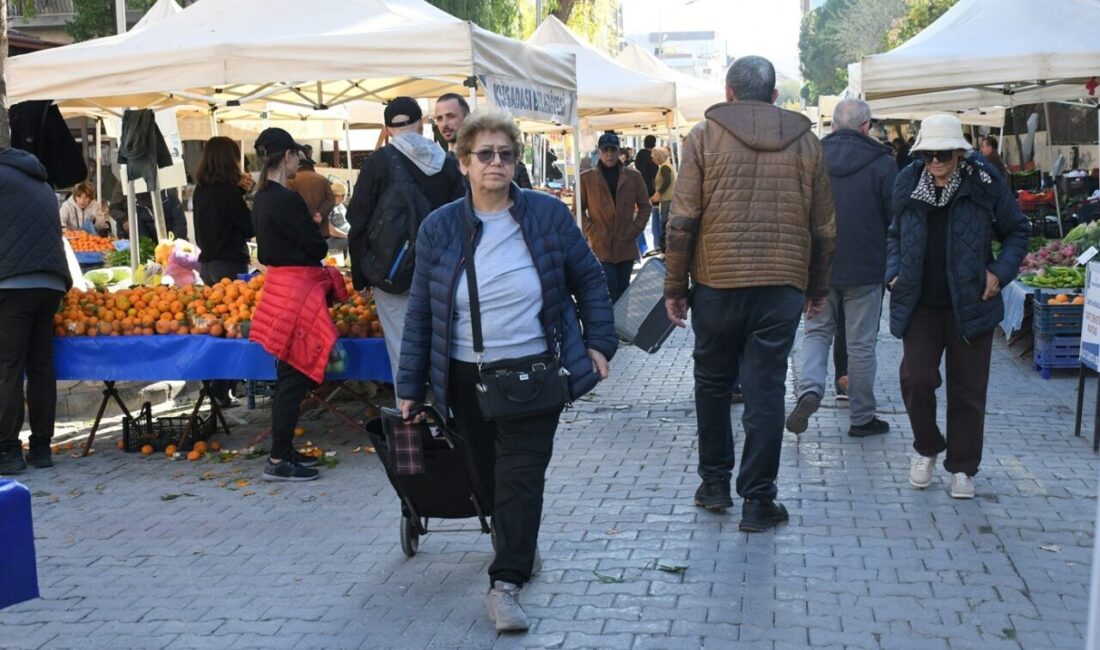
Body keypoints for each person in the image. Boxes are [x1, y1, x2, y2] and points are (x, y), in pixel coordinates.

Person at [396, 110, 616, 632]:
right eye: (485, 155)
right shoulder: (440, 227)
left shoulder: (545, 215)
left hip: (533, 373)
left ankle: (506, 584)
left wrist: (598, 344)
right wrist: (409, 386)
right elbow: (422, 311)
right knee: (488, 478)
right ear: (464, 161)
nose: (497, 163)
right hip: (464, 377)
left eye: (506, 155)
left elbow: (588, 279)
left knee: (521, 476)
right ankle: (516, 539)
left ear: (517, 161)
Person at [664, 56, 835, 531]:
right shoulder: (806, 142)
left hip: (716, 283)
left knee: (713, 383)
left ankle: (715, 483)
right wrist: (817, 285)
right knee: (765, 389)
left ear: (729, 91)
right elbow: (824, 227)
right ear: (775, 96)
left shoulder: (702, 138)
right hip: (782, 283)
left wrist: (675, 286)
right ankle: (759, 500)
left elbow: (682, 222)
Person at [887, 114, 1029, 499]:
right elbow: (894, 234)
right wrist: (894, 271)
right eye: (928, 154)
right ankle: (928, 448)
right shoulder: (907, 181)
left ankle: (963, 467)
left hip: (972, 303)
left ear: (959, 153)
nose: (935, 162)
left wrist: (998, 272)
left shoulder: (983, 182)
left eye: (943, 155)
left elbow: (1017, 230)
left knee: (967, 390)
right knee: (915, 379)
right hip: (920, 302)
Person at [787, 98, 895, 438]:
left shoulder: (811, 158)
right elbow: (895, 219)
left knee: (817, 333)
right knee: (861, 345)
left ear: (833, 125)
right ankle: (862, 417)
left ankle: (809, 389)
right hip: (866, 267)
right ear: (866, 127)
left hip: (819, 267)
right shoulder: (882, 163)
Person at [347, 97, 465, 391]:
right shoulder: (448, 165)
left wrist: (360, 277)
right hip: (442, 273)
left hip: (392, 274)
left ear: (387, 130)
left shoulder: (377, 163)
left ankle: (411, 420)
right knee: (444, 348)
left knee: (403, 350)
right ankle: (449, 420)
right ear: (422, 124)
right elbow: (463, 220)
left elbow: (358, 220)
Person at [247, 128, 333, 482]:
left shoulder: (260, 198)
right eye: (296, 153)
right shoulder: (287, 199)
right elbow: (317, 247)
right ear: (286, 156)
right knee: (293, 376)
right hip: (297, 291)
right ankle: (279, 458)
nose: (299, 159)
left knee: (287, 374)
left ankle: (283, 449)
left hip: (277, 288)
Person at [0, 145, 73, 474]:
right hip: (50, 284)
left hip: (12, 283)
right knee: (42, 366)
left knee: (8, 368)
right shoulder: (41, 182)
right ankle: (42, 448)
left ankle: (9, 451)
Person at [192, 136, 255, 408]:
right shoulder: (228, 192)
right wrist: (248, 195)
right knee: (232, 329)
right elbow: (248, 226)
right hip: (228, 264)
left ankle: (214, 387)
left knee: (214, 328)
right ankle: (221, 389)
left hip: (206, 264)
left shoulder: (201, 190)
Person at [578, 133, 651, 302]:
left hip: (625, 244)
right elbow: (578, 211)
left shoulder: (634, 177)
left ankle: (620, 327)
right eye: (605, 150)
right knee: (607, 290)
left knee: (624, 292)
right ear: (599, 151)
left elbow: (645, 206)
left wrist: (634, 229)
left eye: (613, 150)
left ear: (619, 151)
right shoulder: (586, 179)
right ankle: (608, 327)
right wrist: (593, 232)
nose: (609, 154)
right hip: (600, 246)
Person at [287, 145, 335, 234]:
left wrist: (313, 214)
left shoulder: (291, 180)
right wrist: (320, 214)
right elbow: (331, 199)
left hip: (301, 229)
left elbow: (293, 201)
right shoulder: (323, 179)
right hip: (322, 229)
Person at [634, 135, 662, 252]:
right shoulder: (652, 158)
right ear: (654, 144)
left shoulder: (638, 156)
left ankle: (642, 246)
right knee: (656, 217)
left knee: (639, 219)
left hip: (639, 191)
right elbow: (655, 176)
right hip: (651, 192)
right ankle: (657, 243)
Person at [652, 147, 676, 253]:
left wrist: (659, 192)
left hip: (667, 199)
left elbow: (667, 181)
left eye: (653, 157)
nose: (652, 160)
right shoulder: (665, 166)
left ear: (658, 157)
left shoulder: (664, 167)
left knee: (665, 223)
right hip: (667, 199)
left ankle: (665, 249)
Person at [327, 182, 350, 252]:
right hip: (333, 239)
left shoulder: (340, 205)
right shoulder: (328, 207)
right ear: (337, 195)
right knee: (354, 242)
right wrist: (347, 235)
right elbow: (330, 230)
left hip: (343, 235)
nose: (345, 197)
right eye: (344, 195)